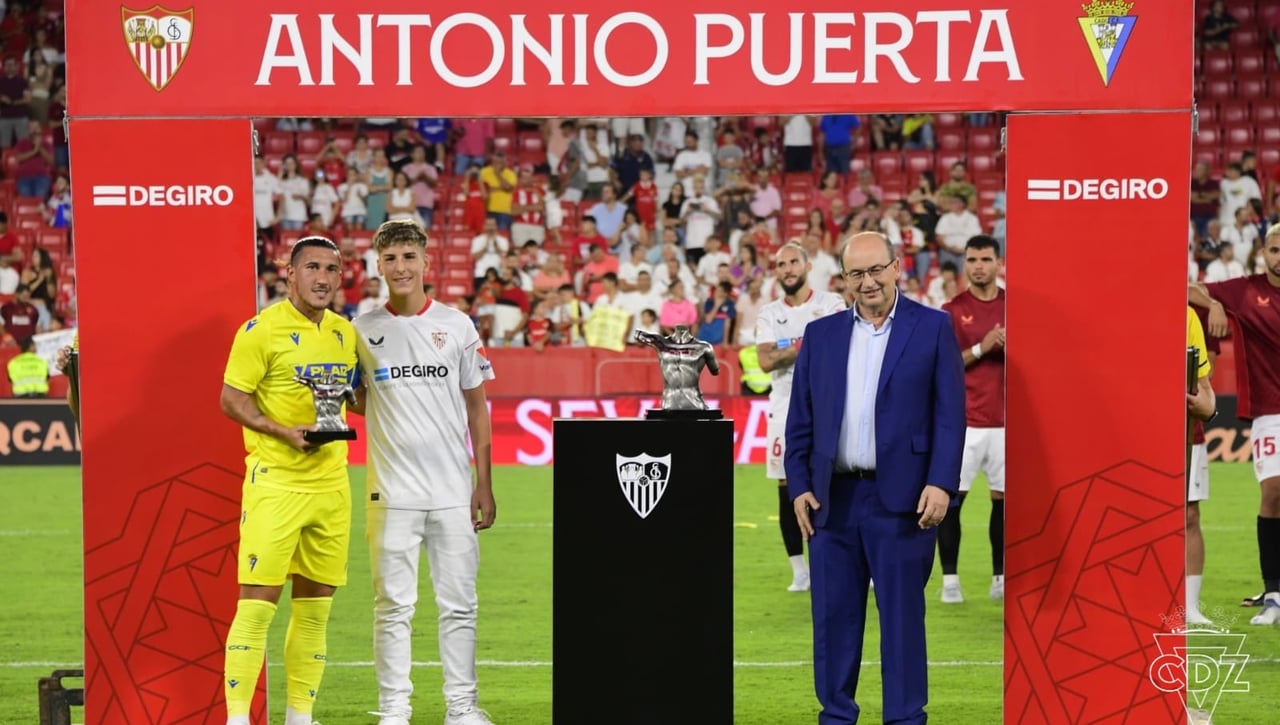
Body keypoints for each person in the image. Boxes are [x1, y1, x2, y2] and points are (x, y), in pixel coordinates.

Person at [785, 231, 965, 725]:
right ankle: (836, 717)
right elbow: (800, 420)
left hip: (904, 502)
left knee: (903, 621)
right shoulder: (821, 336)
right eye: (856, 273)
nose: (868, 282)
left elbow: (950, 415)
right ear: (844, 279)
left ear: (897, 267)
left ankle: (905, 719)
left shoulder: (933, 327)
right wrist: (799, 486)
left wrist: (941, 482)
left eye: (876, 270)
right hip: (831, 503)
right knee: (833, 621)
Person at [353, 219, 498, 725]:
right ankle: (395, 710)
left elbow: (477, 406)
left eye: (409, 257)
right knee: (392, 607)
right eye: (391, 259)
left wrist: (484, 482)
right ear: (378, 265)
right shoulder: (360, 330)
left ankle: (462, 707)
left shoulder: (457, 325)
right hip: (391, 493)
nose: (401, 267)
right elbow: (357, 399)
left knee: (459, 605)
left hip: (454, 491)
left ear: (426, 262)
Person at [219, 236, 359, 725]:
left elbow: (352, 398)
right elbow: (231, 400)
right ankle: (238, 720)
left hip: (331, 485)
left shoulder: (344, 332)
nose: (323, 278)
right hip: (276, 484)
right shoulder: (260, 331)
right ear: (290, 274)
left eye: (332, 269)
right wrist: (283, 431)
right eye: (312, 268)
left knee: (316, 609)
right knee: (257, 606)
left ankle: (300, 717)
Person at [1190, 224, 1280, 625]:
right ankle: (1274, 594)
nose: (1279, 257)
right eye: (1274, 250)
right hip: (1270, 412)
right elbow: (1185, 289)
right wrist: (1214, 304)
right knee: (1273, 492)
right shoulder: (1245, 291)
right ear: (1263, 252)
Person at [753, 241, 847, 591]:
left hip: (828, 405)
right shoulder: (769, 313)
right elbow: (764, 361)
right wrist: (808, 343)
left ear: (808, 267)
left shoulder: (831, 304)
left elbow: (839, 349)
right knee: (787, 486)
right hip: (783, 408)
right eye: (781, 264)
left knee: (839, 479)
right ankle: (799, 570)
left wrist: (788, 347)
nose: (787, 269)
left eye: (793, 262)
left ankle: (850, 559)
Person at [937, 235, 1006, 603]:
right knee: (951, 501)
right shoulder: (951, 310)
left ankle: (1000, 577)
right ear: (965, 264)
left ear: (999, 263)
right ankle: (950, 580)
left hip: (1006, 423)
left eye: (985, 259)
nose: (979, 266)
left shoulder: (1015, 307)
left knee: (1003, 502)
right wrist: (983, 347)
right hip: (964, 423)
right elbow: (945, 364)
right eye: (973, 260)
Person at [1185, 306, 1218, 625]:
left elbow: (1204, 387)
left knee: (1190, 516)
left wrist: (1207, 408)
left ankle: (1189, 606)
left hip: (1184, 433)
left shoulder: (1186, 317)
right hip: (1133, 433)